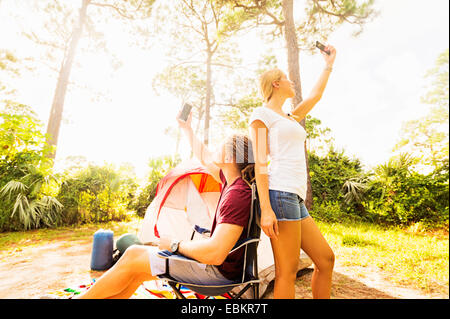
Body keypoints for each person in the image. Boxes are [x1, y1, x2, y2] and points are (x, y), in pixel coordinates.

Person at [74, 110, 255, 299]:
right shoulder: (231, 182)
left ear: (229, 159)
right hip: (215, 269)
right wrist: (187, 129)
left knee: (133, 254)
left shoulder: (237, 194)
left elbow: (215, 254)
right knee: (137, 271)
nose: (214, 150)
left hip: (216, 274)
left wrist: (175, 245)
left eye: (220, 147)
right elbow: (205, 157)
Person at [249, 44, 337, 299]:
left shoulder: (288, 117)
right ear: (276, 83)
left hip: (294, 198)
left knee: (326, 259)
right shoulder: (261, 115)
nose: (292, 83)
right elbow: (260, 163)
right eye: (287, 79)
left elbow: (315, 96)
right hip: (279, 193)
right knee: (286, 272)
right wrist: (266, 208)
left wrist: (329, 64)